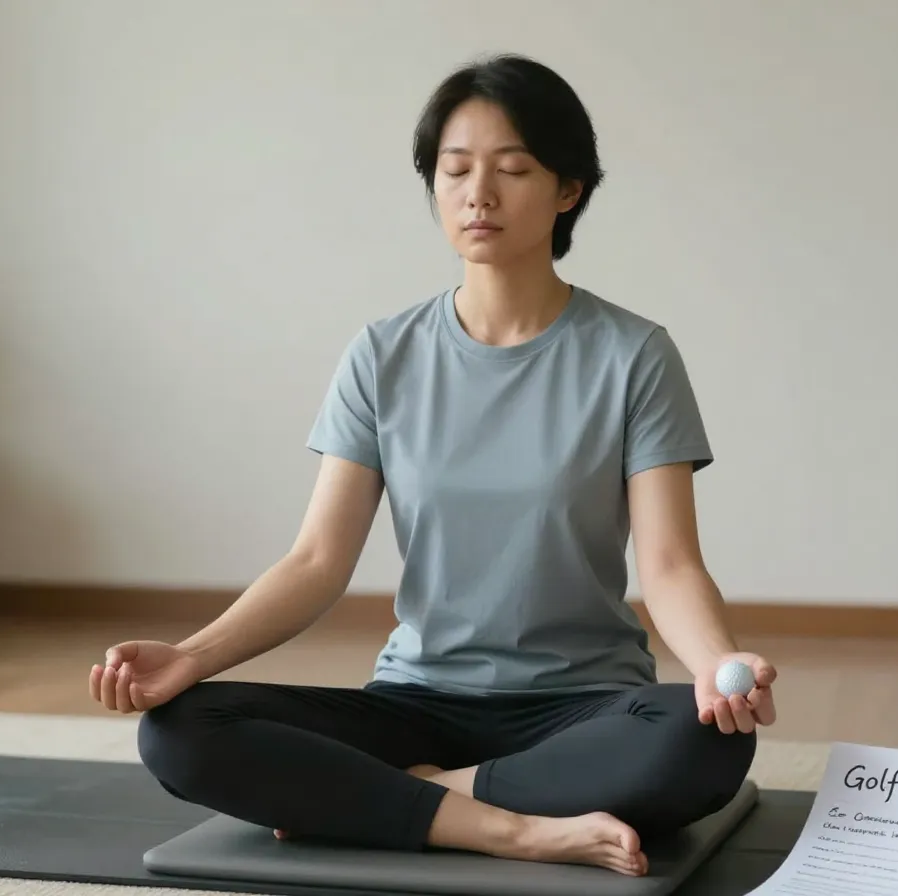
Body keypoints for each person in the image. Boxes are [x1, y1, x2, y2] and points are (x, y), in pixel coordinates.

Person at [88, 53, 777, 879]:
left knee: (702, 740)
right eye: (455, 171)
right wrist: (191, 657)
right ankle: (510, 827)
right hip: (414, 705)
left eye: (513, 169)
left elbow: (668, 566)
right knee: (178, 729)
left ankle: (410, 800)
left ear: (569, 191)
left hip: (581, 707)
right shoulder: (383, 354)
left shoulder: (634, 355)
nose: (477, 193)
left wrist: (715, 671)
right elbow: (316, 562)